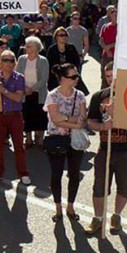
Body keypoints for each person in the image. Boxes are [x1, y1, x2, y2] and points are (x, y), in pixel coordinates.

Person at [85, 62, 127, 236]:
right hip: (105, 148)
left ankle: (116, 216)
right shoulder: (99, 96)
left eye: (113, 76)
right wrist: (101, 127)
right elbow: (90, 120)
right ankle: (98, 218)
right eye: (107, 77)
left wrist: (118, 113)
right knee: (99, 185)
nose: (110, 80)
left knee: (124, 186)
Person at [44, 63, 86, 222]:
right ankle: (58, 208)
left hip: (75, 141)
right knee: (56, 175)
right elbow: (55, 120)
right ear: (62, 79)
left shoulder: (80, 95)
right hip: (56, 140)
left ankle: (70, 206)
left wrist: (66, 119)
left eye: (77, 75)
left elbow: (82, 120)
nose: (77, 79)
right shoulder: (53, 95)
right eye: (73, 76)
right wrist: (73, 121)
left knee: (74, 175)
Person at [0, 50, 30, 186]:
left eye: (11, 60)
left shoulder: (19, 78)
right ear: (0, 62)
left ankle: (23, 173)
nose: (8, 63)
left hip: (15, 116)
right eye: (5, 60)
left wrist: (2, 89)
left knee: (19, 146)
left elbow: (18, 97)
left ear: (14, 63)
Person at [16, 36, 50, 147]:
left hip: (39, 94)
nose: (26, 47)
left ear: (36, 48)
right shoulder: (21, 59)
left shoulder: (43, 61)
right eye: (26, 45)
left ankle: (39, 138)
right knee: (27, 116)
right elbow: (18, 75)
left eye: (29, 46)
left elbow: (44, 79)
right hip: (25, 94)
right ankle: (29, 138)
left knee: (40, 116)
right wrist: (24, 88)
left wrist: (32, 88)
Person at [47, 26, 88, 94]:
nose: (64, 37)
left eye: (65, 35)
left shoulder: (71, 48)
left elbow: (77, 62)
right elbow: (49, 65)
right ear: (56, 37)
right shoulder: (52, 49)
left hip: (71, 77)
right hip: (56, 78)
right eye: (61, 35)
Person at [99, 7, 118, 84]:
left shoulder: (120, 28)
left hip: (115, 55)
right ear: (110, 16)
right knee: (104, 76)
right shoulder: (105, 26)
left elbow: (120, 41)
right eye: (114, 15)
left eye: (117, 15)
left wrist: (109, 47)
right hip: (105, 55)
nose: (116, 17)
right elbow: (101, 40)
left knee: (114, 76)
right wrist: (106, 49)